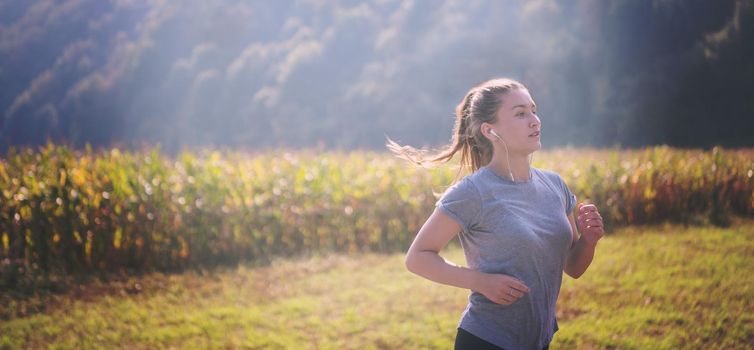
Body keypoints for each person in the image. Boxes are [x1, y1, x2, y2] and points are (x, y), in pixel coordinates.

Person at [387, 78, 605, 350]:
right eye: (520, 114)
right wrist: (480, 282)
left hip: (539, 341)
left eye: (534, 110)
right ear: (490, 131)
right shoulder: (474, 191)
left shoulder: (555, 185)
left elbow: (573, 267)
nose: (534, 121)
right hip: (486, 340)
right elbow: (417, 258)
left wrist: (589, 240)